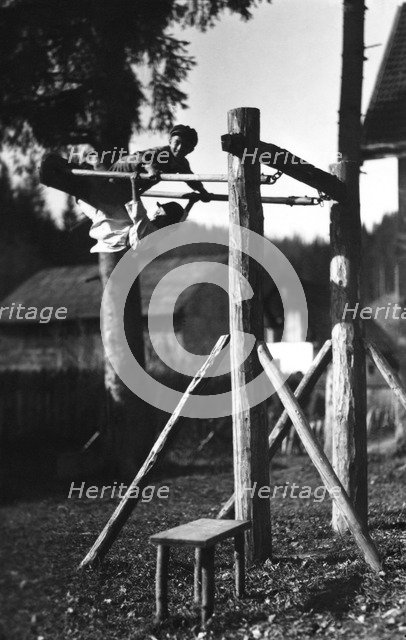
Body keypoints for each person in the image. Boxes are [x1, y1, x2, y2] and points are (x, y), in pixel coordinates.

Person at [78, 189, 201, 254]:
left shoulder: (150, 229)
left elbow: (135, 203)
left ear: (166, 218)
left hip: (115, 235)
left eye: (161, 211)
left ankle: (80, 197)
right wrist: (191, 202)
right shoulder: (167, 229)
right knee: (110, 209)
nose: (157, 211)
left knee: (99, 213)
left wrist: (133, 182)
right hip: (123, 233)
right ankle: (83, 197)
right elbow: (181, 219)